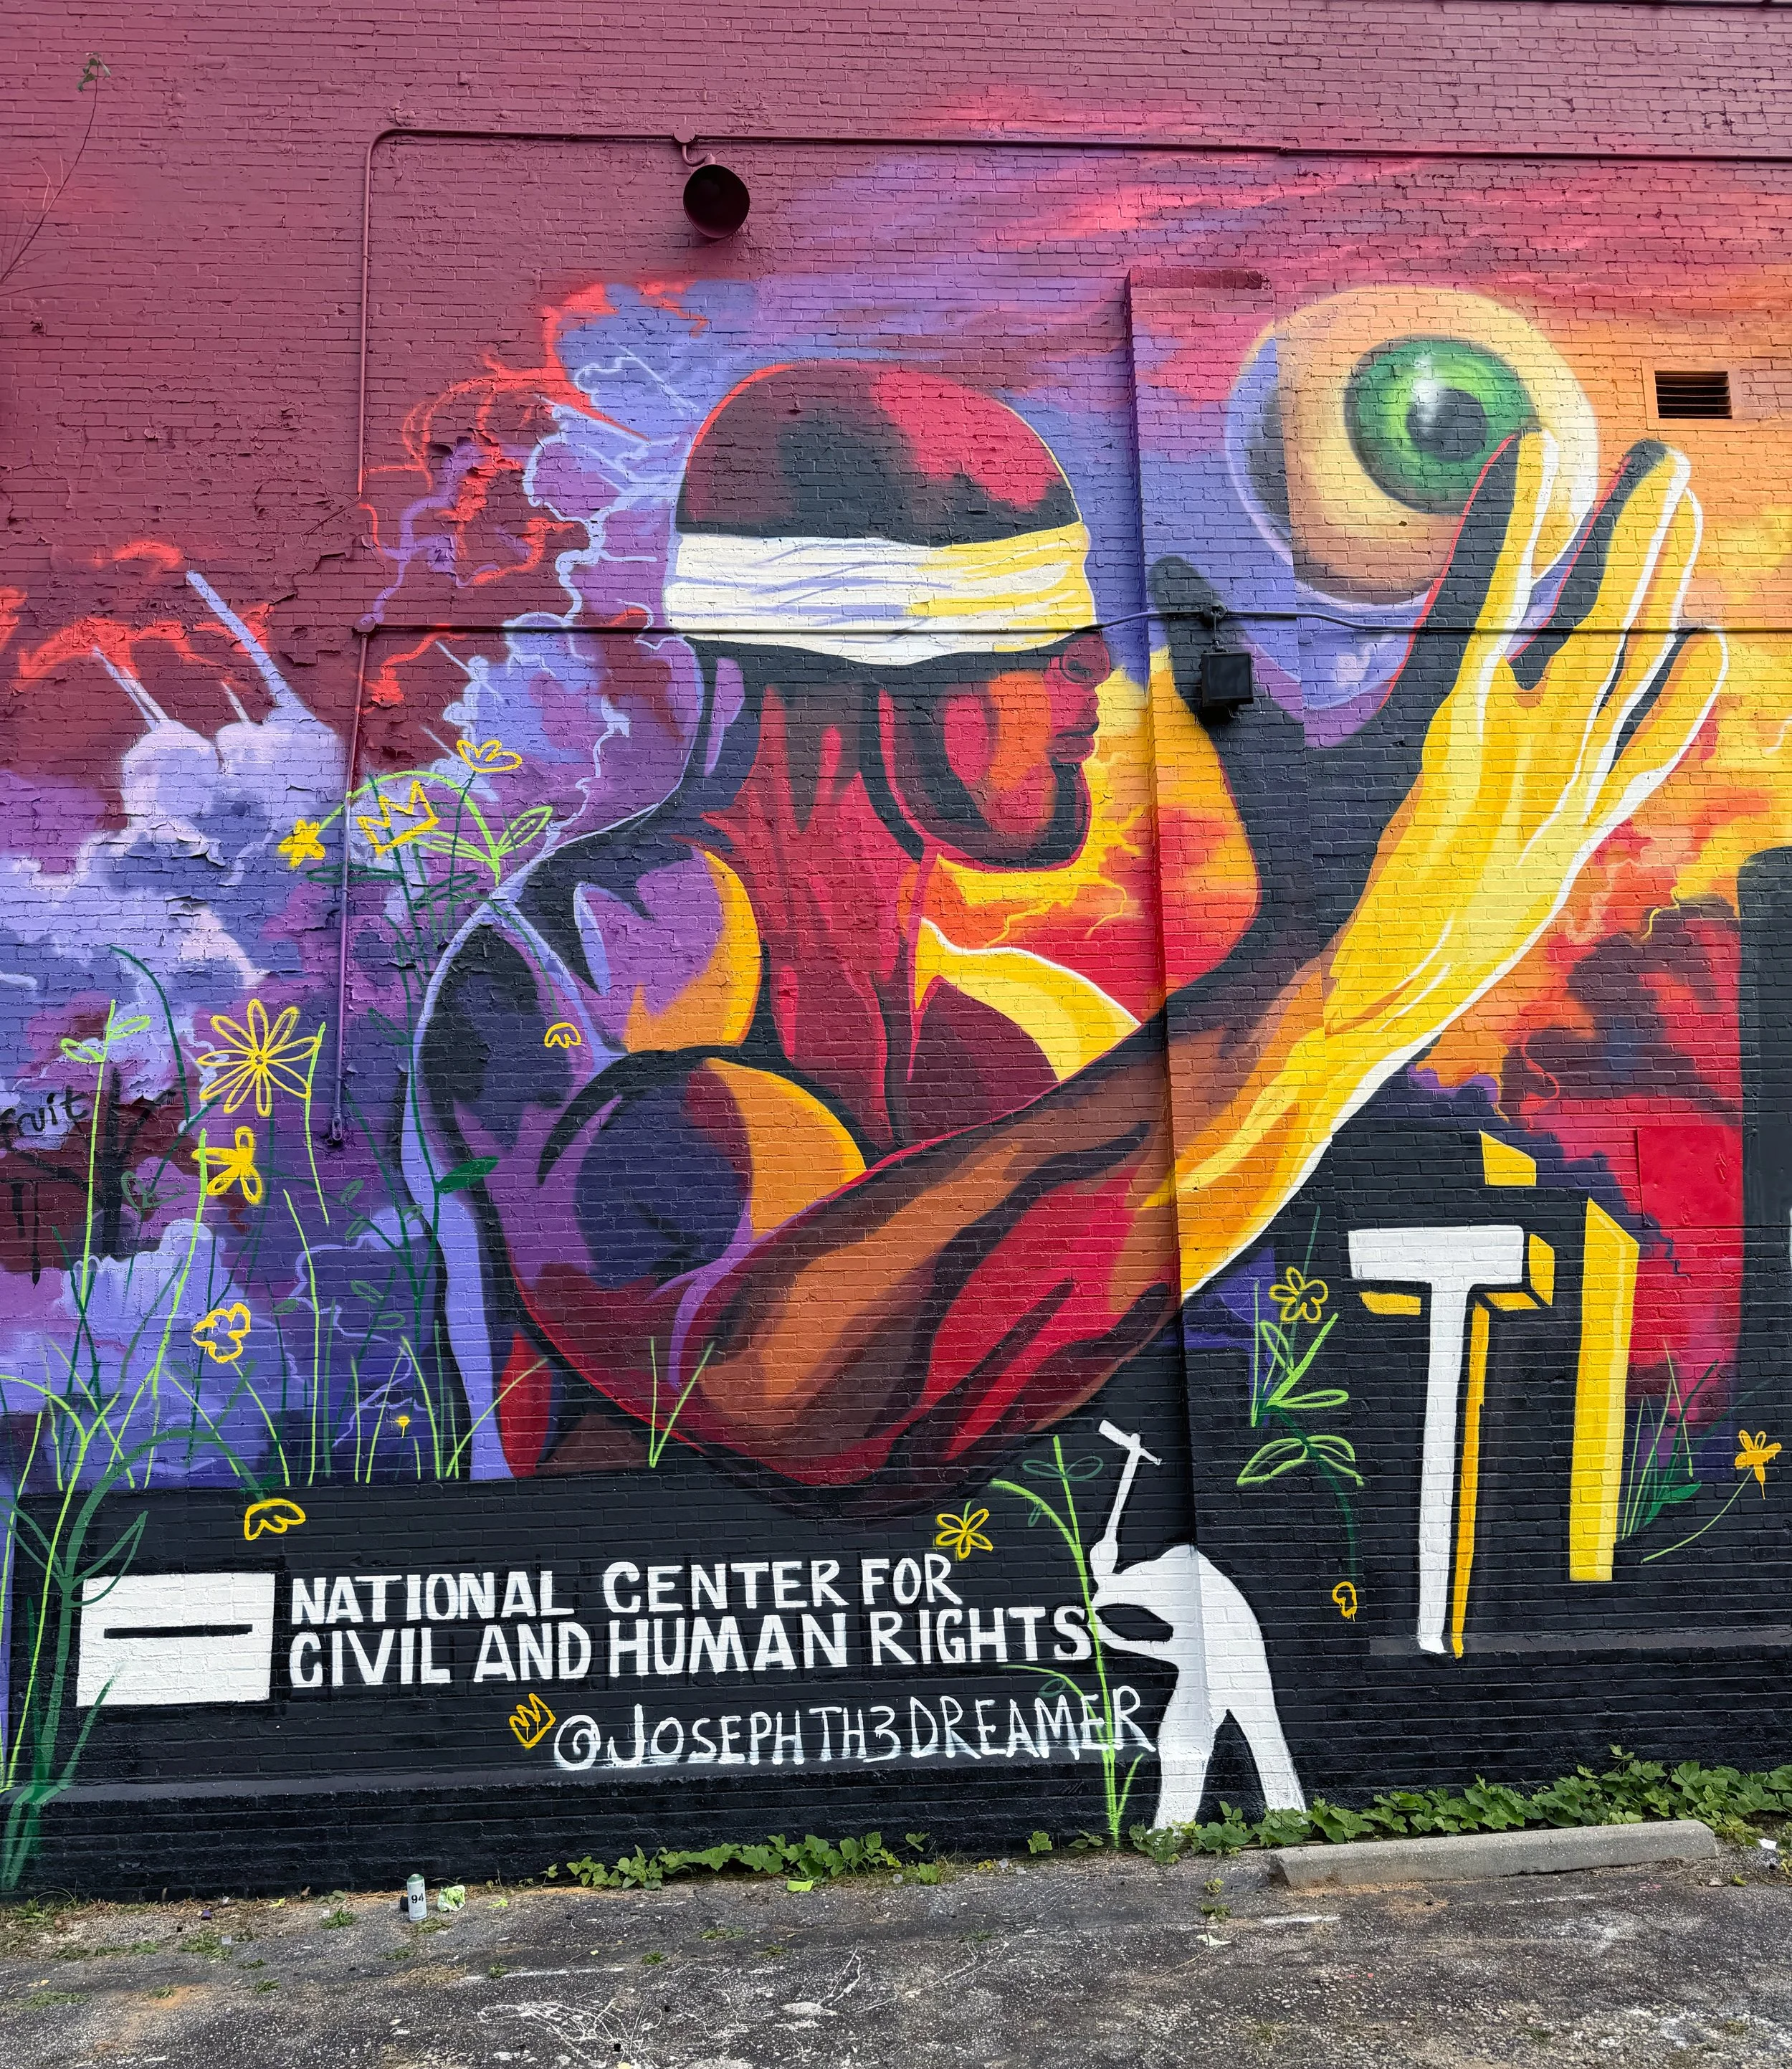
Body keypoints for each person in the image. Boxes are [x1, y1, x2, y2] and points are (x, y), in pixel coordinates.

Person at [410, 362, 1721, 1508]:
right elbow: (784, 1381)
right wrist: (1328, 981)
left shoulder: (1031, 1033)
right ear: (881, 663)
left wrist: (1355, 986)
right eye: (1042, 631)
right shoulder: (579, 970)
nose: (1094, 675)